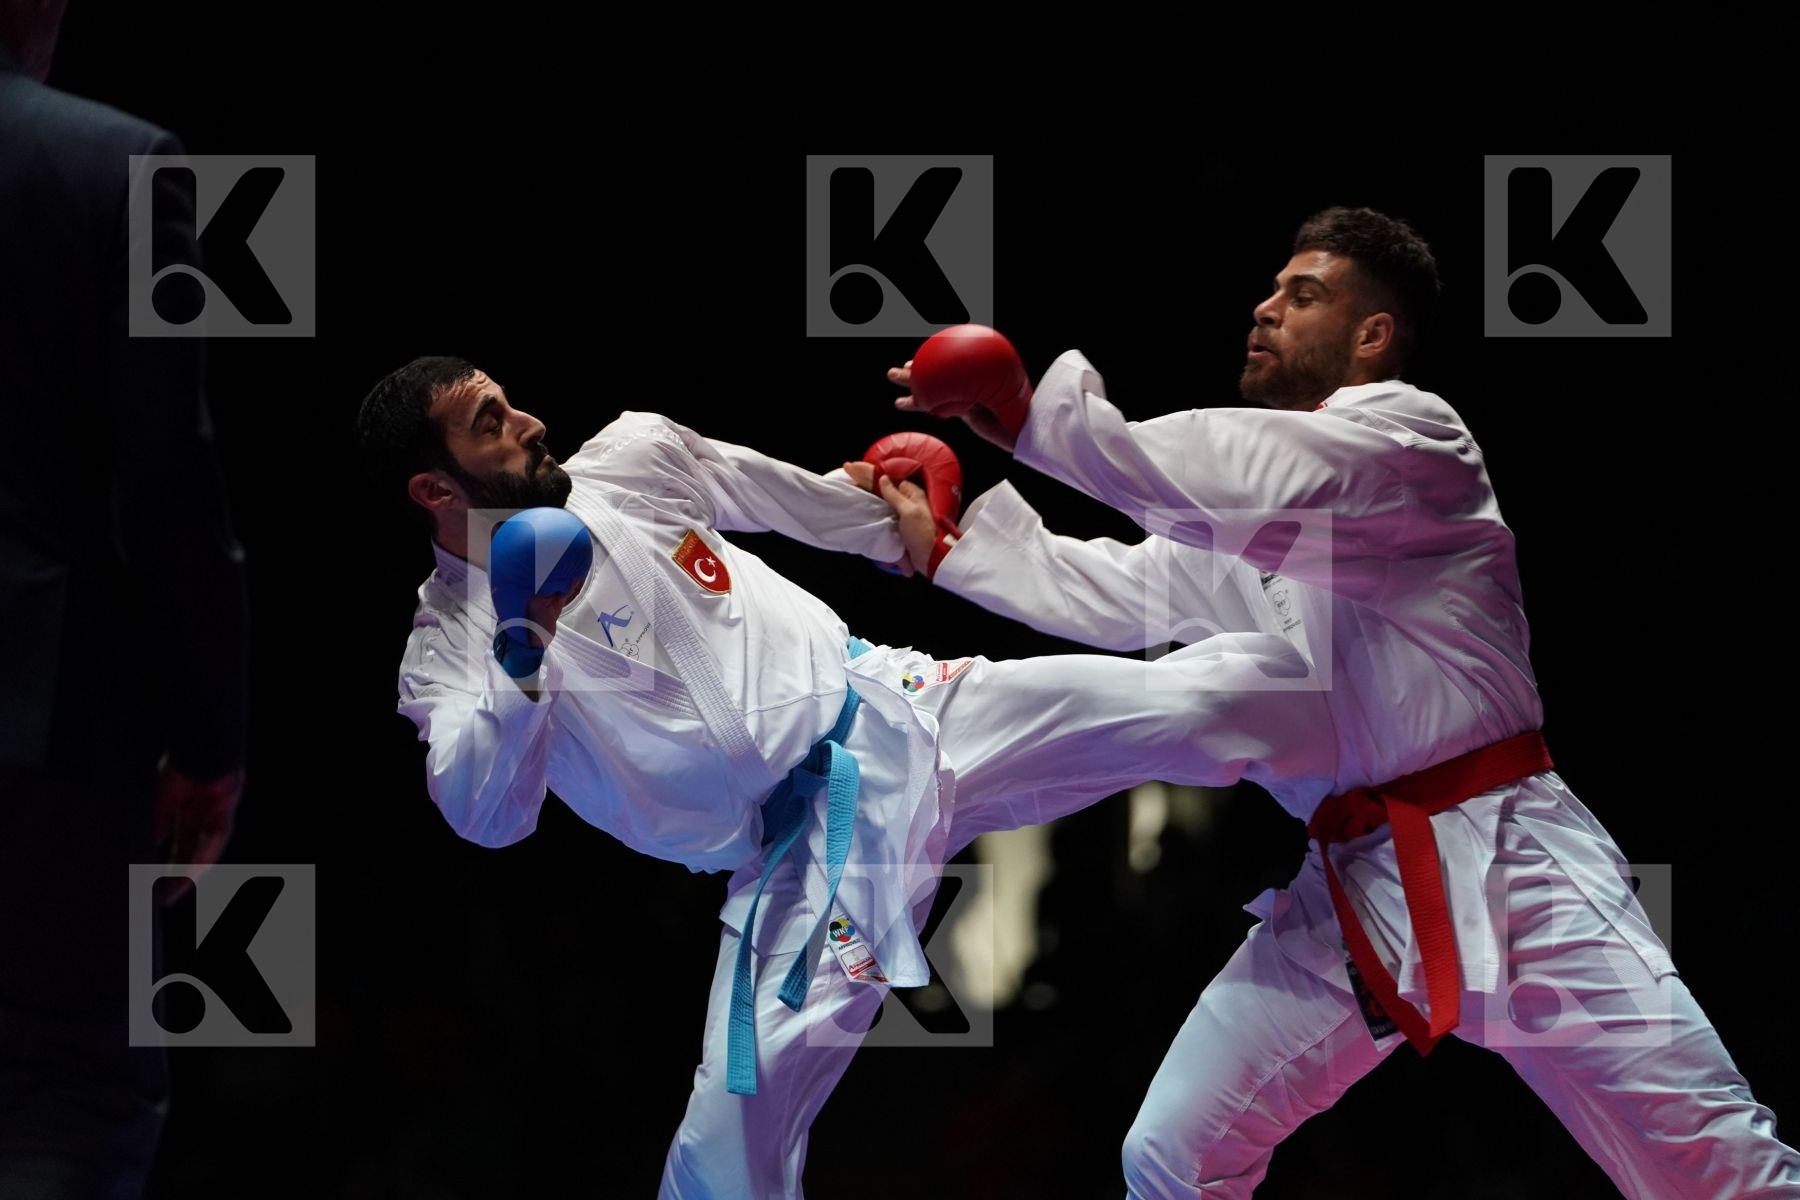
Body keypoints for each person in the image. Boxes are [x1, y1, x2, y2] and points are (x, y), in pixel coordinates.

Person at [879, 207, 1799, 1198]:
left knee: (1718, 1171)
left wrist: (1035, 417)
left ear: (1374, 336)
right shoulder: (1253, 506)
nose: (1266, 308)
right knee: (1173, 1152)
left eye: (1303, 295)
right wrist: (950, 543)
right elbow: (1128, 586)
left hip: (1517, 868)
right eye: (1273, 289)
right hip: (1356, 889)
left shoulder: (1413, 441)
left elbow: (1236, 476)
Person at [353, 356, 1343, 1198]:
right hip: (806, 857)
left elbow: (788, 497)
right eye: (490, 424)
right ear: (435, 489)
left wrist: (905, 520)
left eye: (506, 400)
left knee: (1183, 702)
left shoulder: (630, 457)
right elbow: (487, 818)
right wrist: (522, 651)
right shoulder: (449, 651)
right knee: (726, 1152)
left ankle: (1383, 743)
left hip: (900, 705)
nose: (528, 422)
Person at [0, 5, 252, 1195]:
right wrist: (207, 737)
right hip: (39, 717)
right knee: (75, 1091)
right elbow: (166, 475)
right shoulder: (121, 163)